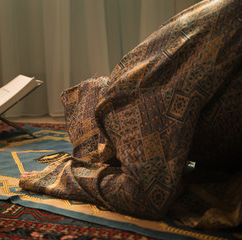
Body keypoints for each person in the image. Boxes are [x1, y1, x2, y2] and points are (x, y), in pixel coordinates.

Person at [20, 0, 242, 229]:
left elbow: (147, 195)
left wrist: (63, 175)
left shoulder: (126, 102)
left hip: (138, 101)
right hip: (139, 102)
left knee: (146, 193)